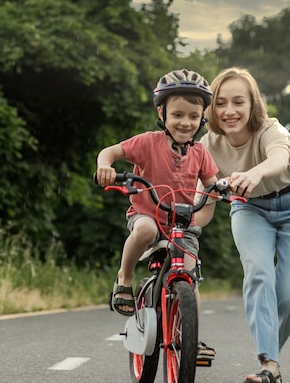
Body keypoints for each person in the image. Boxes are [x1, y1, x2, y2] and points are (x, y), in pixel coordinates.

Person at [195, 67, 290, 383]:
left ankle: (271, 360)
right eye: (221, 103)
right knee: (258, 272)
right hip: (249, 208)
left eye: (238, 102)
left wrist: (253, 174)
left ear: (253, 104)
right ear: (212, 107)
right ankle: (269, 367)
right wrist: (183, 227)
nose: (229, 111)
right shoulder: (207, 145)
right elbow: (205, 201)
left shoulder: (272, 130)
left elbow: (279, 160)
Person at [95, 69, 219, 361]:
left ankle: (193, 339)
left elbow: (214, 183)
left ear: (202, 118)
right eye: (177, 115)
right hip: (146, 214)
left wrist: (226, 189)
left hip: (181, 225)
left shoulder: (200, 153)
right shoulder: (148, 142)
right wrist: (105, 167)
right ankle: (124, 279)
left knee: (189, 275)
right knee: (146, 230)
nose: (185, 122)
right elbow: (109, 152)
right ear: (162, 113)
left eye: (192, 115)